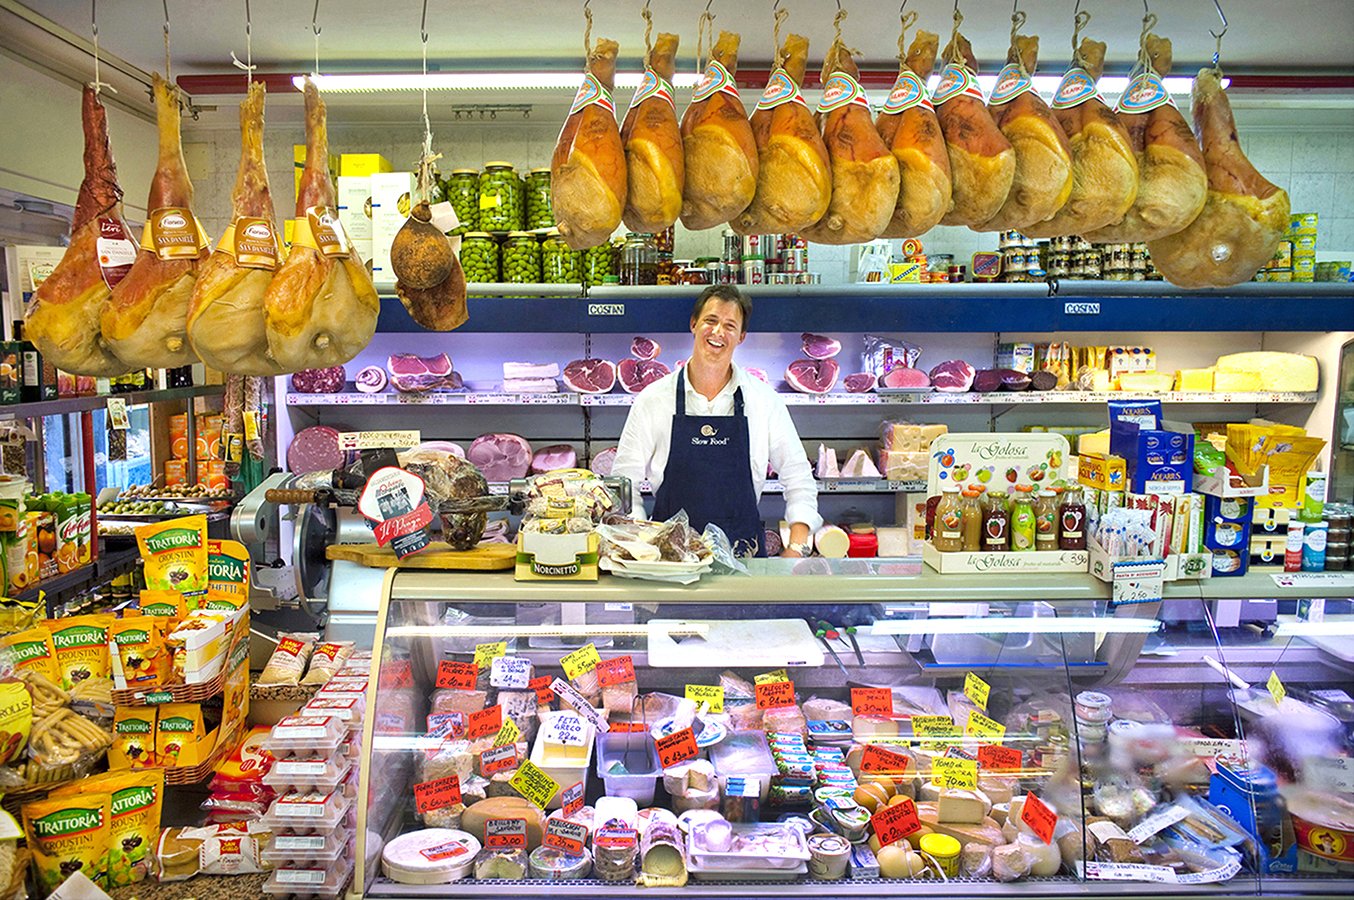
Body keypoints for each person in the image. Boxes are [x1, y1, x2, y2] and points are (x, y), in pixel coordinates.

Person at [611, 285, 820, 558]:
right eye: (710, 321)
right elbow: (624, 484)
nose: (718, 332)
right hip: (669, 564)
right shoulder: (653, 399)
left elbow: (798, 476)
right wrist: (639, 545)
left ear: (741, 336)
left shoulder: (763, 400)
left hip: (744, 563)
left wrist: (797, 546)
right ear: (694, 324)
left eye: (730, 325)